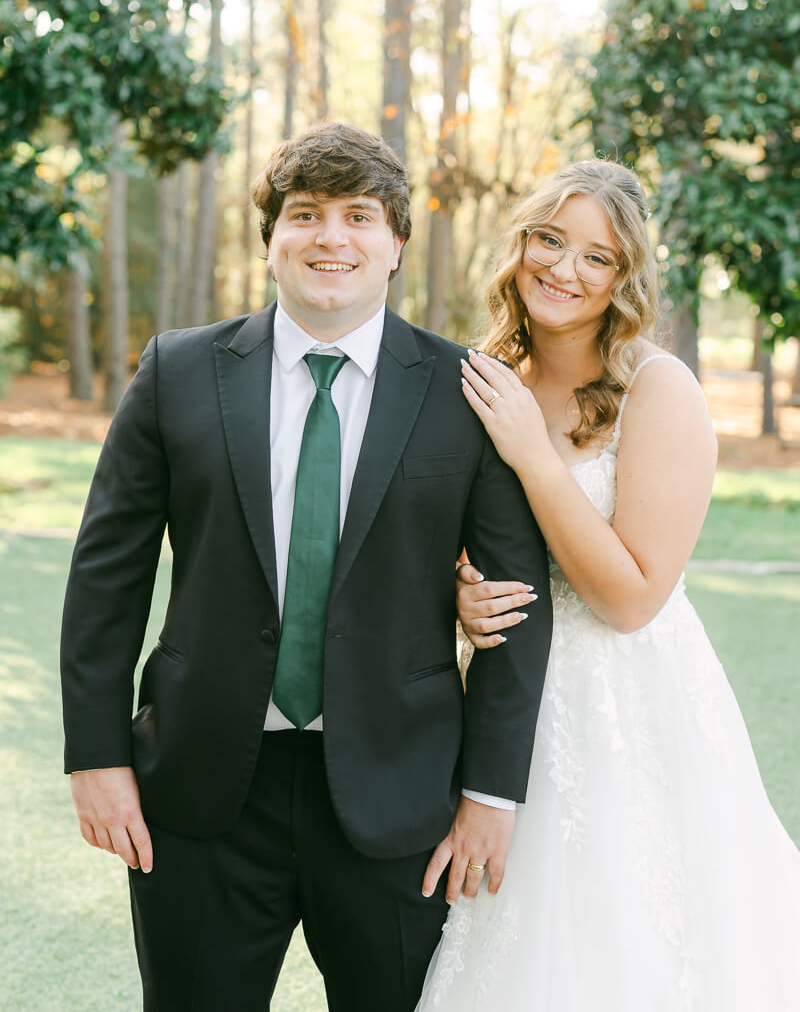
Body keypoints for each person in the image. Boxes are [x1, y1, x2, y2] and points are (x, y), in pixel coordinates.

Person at [60, 121, 553, 1012]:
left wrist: (491, 792)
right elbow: (108, 573)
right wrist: (94, 755)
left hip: (402, 797)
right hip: (200, 787)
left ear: (396, 242)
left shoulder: (469, 392)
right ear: (272, 240)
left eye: (360, 215)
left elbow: (517, 608)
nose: (332, 237)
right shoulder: (178, 371)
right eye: (306, 214)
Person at [416, 159, 800, 1011]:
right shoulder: (484, 375)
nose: (565, 269)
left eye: (598, 256)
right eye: (550, 240)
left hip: (630, 707)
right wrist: (459, 594)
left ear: (626, 278)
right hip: (511, 702)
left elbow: (631, 599)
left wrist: (532, 451)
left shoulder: (659, 390)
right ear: (520, 245)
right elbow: (444, 538)